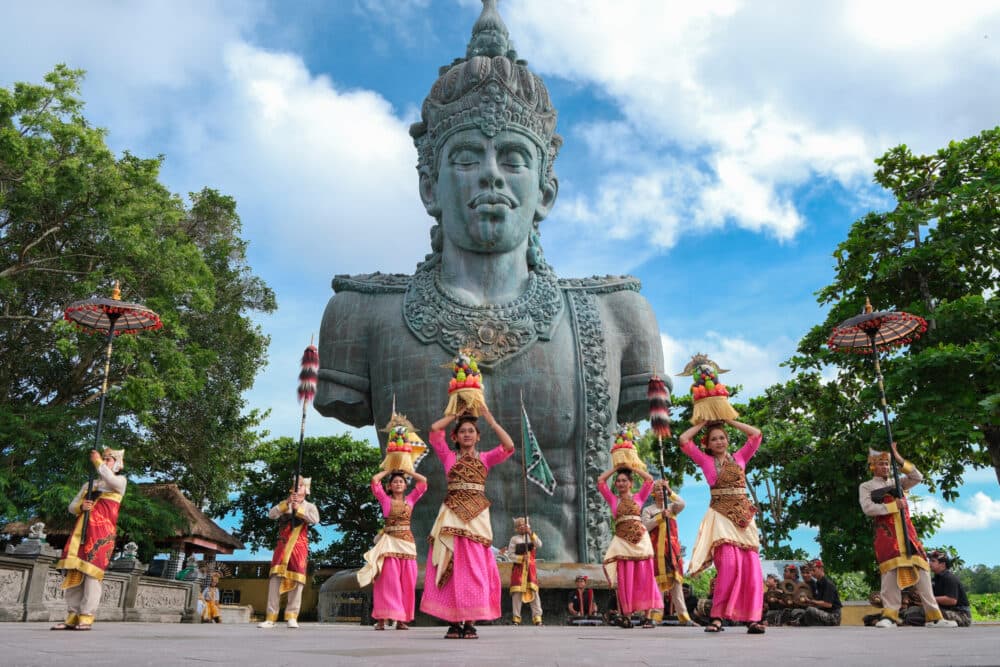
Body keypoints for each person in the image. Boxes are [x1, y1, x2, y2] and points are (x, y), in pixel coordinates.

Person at [314, 0, 666, 564]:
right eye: (467, 157)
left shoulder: (617, 316)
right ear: (430, 187)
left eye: (513, 158)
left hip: (577, 596)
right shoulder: (361, 314)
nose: (490, 175)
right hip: (419, 592)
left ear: (545, 193)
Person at [419, 406, 515, 639]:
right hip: (451, 514)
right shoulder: (448, 456)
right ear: (456, 436)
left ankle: (470, 622)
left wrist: (491, 420)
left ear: (478, 435)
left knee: (474, 567)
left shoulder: (485, 458)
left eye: (471, 431)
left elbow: (509, 446)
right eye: (462, 431)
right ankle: (453, 621)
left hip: (477, 518)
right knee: (450, 565)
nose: (467, 434)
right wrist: (455, 414)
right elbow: (433, 430)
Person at [679, 419, 766, 634]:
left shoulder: (740, 457)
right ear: (707, 444)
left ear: (728, 440)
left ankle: (752, 619)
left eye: (722, 438)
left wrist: (728, 419)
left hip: (744, 518)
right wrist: (702, 423)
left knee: (751, 568)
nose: (718, 441)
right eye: (714, 439)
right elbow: (683, 440)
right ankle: (717, 617)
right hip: (720, 517)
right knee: (727, 566)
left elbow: (756, 434)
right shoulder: (705, 461)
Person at [859, 443, 957, 628]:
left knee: (922, 572)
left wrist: (899, 458)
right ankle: (890, 616)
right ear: (873, 466)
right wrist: (892, 506)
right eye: (881, 464)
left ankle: (934, 616)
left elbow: (917, 477)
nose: (885, 467)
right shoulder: (867, 486)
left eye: (887, 464)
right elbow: (868, 508)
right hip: (887, 535)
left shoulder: (898, 482)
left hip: (908, 534)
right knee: (890, 576)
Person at [51, 448, 127, 631]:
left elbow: (110, 478)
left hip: (101, 534)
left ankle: (86, 616)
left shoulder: (119, 482)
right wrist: (81, 506)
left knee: (92, 576)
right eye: (105, 458)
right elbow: (71, 507)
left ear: (117, 464)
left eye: (110, 459)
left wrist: (98, 462)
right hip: (82, 531)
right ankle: (72, 615)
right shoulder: (89, 485)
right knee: (74, 572)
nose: (106, 461)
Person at [357, 469, 428, 630]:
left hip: (407, 545)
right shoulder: (384, 499)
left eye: (401, 482)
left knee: (407, 582)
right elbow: (375, 480)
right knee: (387, 581)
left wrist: (407, 470)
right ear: (389, 486)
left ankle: (401, 619)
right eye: (395, 482)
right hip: (389, 543)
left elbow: (423, 482)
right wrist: (389, 469)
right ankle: (382, 618)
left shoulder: (410, 499)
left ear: (405, 486)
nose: (398, 484)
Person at [597, 466, 661, 628]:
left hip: (640, 541)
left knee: (645, 577)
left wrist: (632, 466)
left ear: (631, 483)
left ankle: (647, 617)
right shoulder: (613, 500)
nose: (620, 483)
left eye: (624, 480)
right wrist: (616, 468)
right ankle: (627, 616)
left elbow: (649, 480)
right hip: (622, 542)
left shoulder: (639, 497)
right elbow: (600, 481)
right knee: (625, 579)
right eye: (618, 481)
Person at [258, 476, 320, 629]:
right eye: (295, 486)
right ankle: (271, 617)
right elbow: (271, 514)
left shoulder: (310, 506)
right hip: (283, 545)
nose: (298, 488)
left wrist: (300, 510)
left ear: (306, 490)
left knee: (297, 581)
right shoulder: (285, 503)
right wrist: (287, 504)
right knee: (275, 580)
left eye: (301, 486)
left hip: (299, 546)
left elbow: (315, 520)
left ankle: (292, 616)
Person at [641, 479, 691, 625]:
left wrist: (670, 490)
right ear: (653, 493)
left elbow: (682, 504)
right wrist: (660, 517)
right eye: (658, 490)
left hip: (672, 551)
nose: (661, 493)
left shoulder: (672, 507)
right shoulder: (648, 510)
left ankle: (684, 617)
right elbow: (645, 527)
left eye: (662, 491)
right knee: (658, 583)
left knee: (676, 583)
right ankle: (656, 616)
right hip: (657, 552)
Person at [903, 551, 973, 627]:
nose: (930, 563)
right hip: (945, 610)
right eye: (930, 561)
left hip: (961, 615)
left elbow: (951, 600)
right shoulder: (935, 580)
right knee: (912, 612)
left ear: (943, 565)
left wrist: (929, 599)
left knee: (920, 614)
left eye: (933, 561)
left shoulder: (949, 578)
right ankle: (931, 622)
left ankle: (947, 623)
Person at [507, 517, 543, 625]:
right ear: (517, 528)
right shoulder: (514, 539)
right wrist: (521, 558)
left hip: (530, 569)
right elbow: (510, 555)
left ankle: (537, 617)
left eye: (524, 525)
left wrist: (531, 533)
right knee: (517, 593)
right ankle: (516, 618)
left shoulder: (531, 536)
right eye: (519, 526)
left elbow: (539, 544)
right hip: (519, 570)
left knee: (534, 592)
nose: (522, 527)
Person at [794, 559, 841, 626]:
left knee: (810, 610)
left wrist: (810, 601)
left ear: (821, 569)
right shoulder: (818, 583)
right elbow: (817, 602)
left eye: (814, 570)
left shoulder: (828, 584)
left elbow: (827, 604)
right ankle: (800, 622)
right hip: (823, 612)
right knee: (798, 611)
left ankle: (800, 622)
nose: (812, 573)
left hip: (833, 617)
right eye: (811, 570)